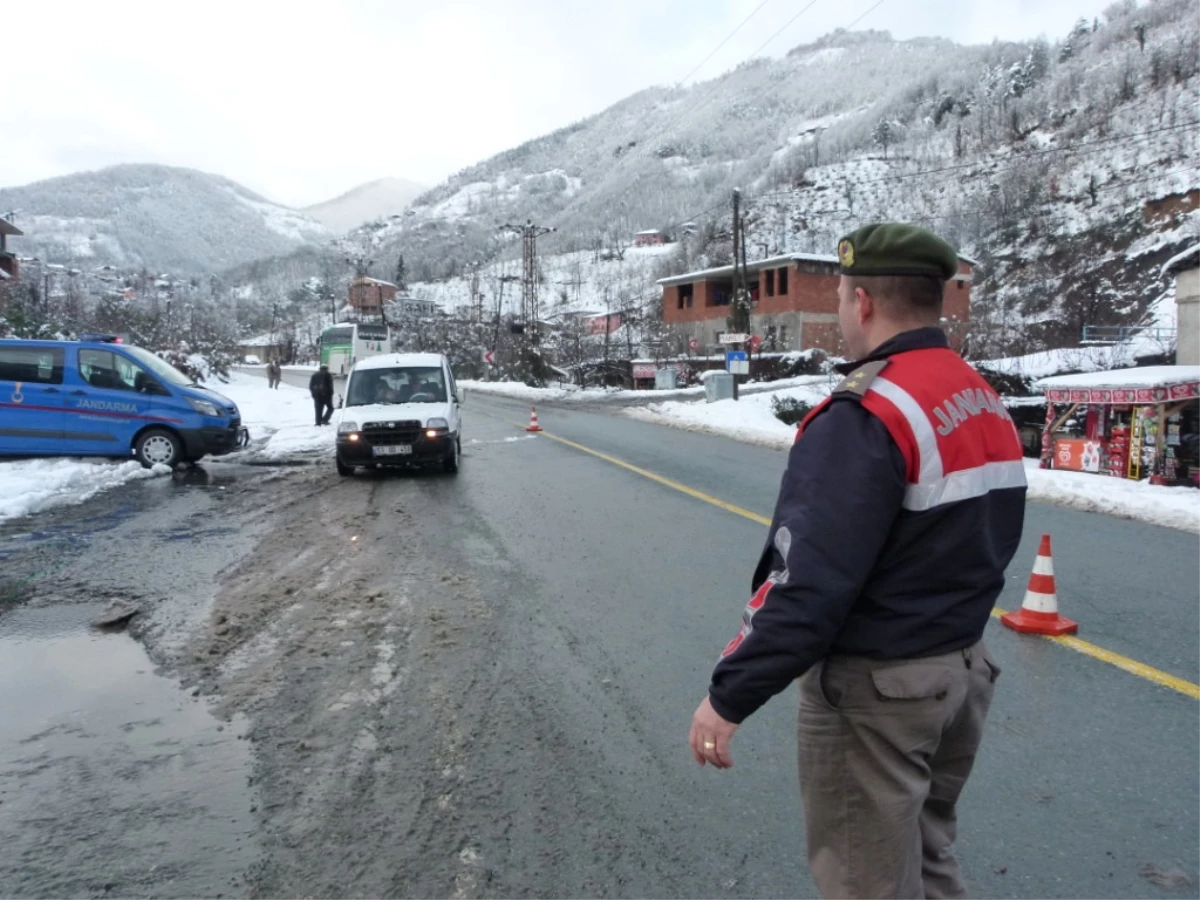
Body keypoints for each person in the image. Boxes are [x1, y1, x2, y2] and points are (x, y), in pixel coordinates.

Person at [688, 223, 1027, 900]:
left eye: (843, 295)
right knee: (928, 860)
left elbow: (806, 586)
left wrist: (729, 695)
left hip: (880, 693)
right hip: (959, 672)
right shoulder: (977, 395)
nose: (843, 310)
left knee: (865, 880)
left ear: (862, 302)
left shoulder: (868, 413)